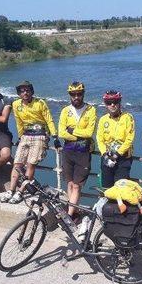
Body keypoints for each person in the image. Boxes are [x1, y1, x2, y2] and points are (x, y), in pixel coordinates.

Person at [0, 81, 59, 204]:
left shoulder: (40, 103)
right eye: (22, 91)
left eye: (27, 90)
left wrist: (55, 137)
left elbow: (49, 120)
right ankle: (11, 190)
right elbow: (18, 122)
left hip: (40, 135)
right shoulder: (16, 104)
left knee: (31, 164)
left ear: (31, 91)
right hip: (25, 135)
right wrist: (20, 136)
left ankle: (20, 192)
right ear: (19, 93)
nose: (25, 93)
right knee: (17, 163)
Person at [58, 81, 97, 223]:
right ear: (69, 95)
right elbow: (61, 132)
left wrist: (72, 130)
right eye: (73, 94)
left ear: (83, 94)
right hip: (68, 151)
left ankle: (68, 215)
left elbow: (89, 133)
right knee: (69, 184)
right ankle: (74, 212)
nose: (76, 97)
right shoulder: (65, 111)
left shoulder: (91, 110)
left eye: (79, 94)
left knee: (76, 185)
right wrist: (79, 134)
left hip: (83, 152)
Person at [96, 90, 135, 188]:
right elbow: (99, 139)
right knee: (107, 190)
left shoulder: (128, 118)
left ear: (119, 102)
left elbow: (129, 139)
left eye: (115, 102)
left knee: (121, 190)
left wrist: (117, 154)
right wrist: (104, 154)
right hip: (107, 158)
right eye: (109, 103)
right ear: (105, 104)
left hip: (123, 159)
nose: (112, 105)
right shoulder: (103, 120)